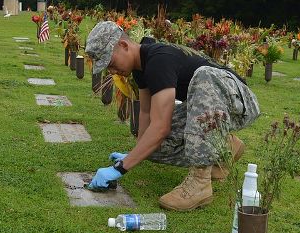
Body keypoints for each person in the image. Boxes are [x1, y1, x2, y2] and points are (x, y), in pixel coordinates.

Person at [85, 21, 260, 211]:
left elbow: (161, 127)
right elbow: (146, 113)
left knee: (204, 75)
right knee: (150, 148)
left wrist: (118, 169)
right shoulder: (141, 68)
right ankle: (225, 147)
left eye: (110, 63)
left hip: (238, 102)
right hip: (212, 111)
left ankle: (200, 183)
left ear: (124, 45)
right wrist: (134, 155)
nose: (111, 71)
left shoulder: (159, 59)